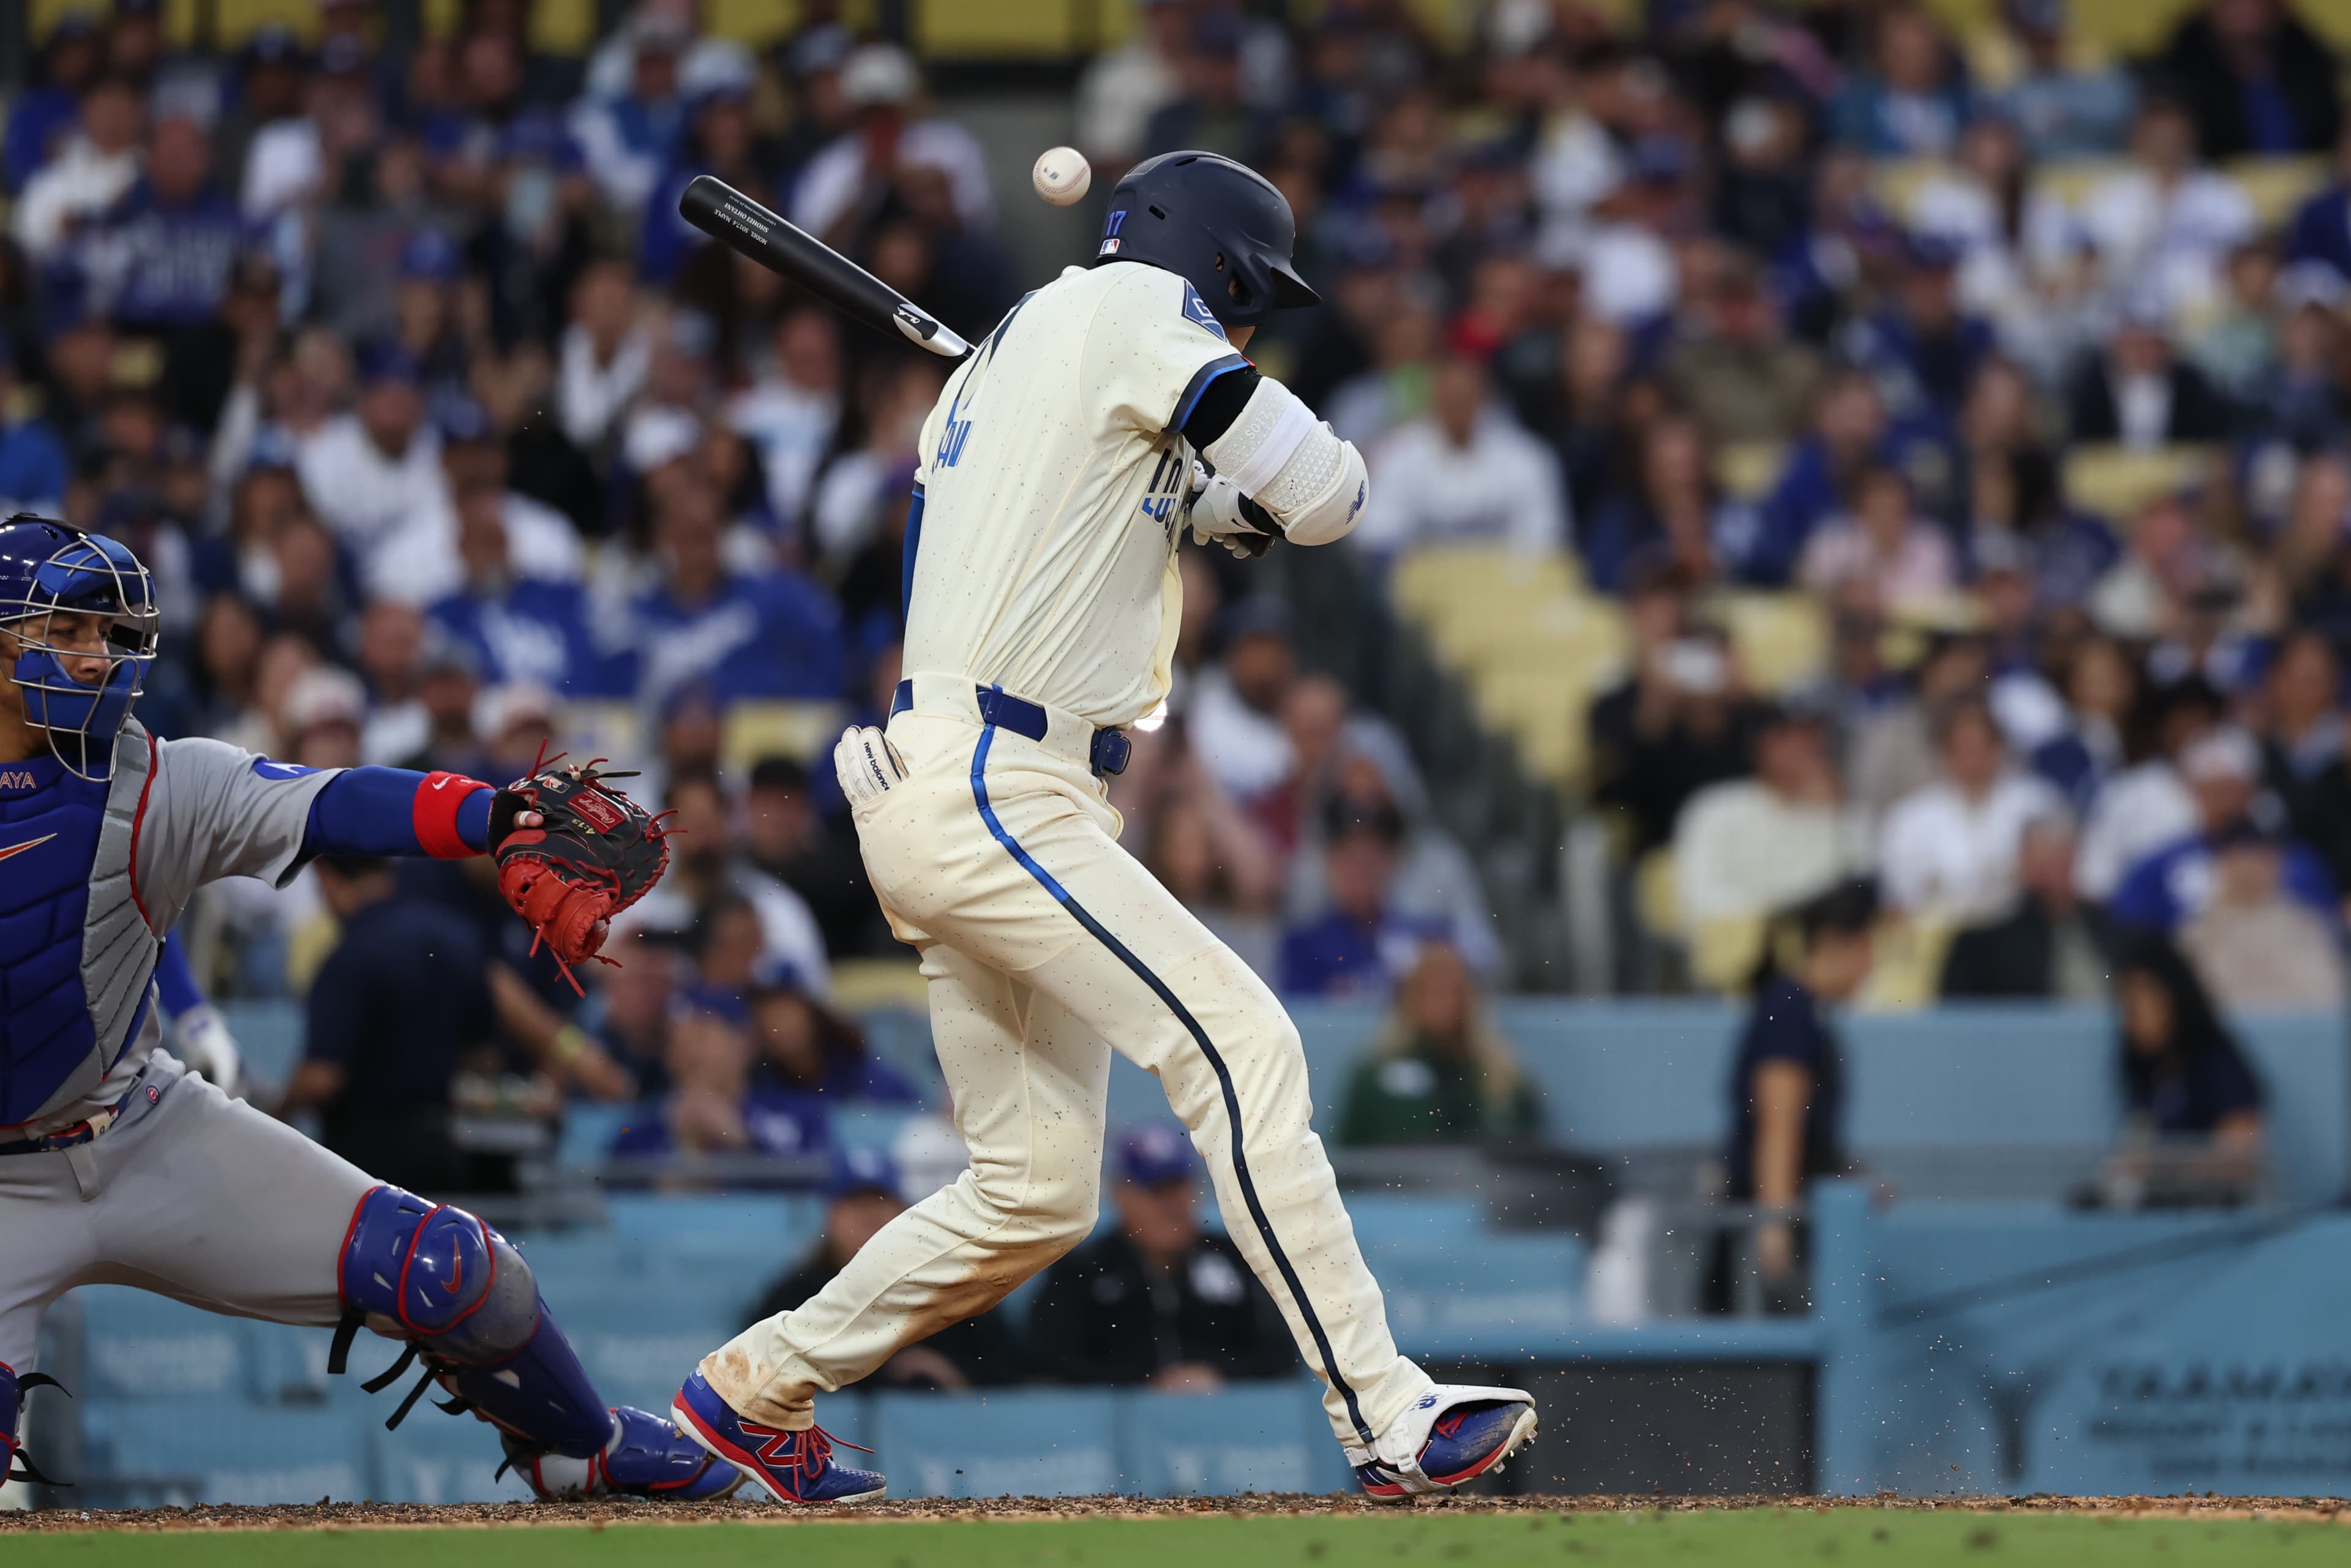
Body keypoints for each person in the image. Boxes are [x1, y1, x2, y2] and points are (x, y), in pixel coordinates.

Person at [678, 152, 1536, 1507]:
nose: (1251, 326)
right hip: (997, 783)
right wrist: (1252, 493)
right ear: (1225, 267)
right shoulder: (1140, 310)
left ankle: (745, 1391)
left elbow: (1154, 514)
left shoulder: (1007, 366)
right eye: (1252, 301)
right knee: (1242, 1043)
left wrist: (1212, 505)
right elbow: (1328, 495)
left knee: (1031, 1190)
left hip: (966, 783)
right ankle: (1384, 1405)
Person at [0, 516, 733, 1501]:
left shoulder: (155, 777)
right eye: (66, 631)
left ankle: (580, 1450)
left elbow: (333, 801)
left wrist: (496, 815)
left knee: (459, 1274)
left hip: (139, 1127)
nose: (98, 659)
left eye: (109, 633)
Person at [1026, 1125, 1295, 1390]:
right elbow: (1049, 1363)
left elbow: (1284, 1354)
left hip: (1230, 1426)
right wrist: (1144, 1386)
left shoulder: (1239, 1259)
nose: (1171, 1205)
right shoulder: (1082, 1270)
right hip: (1109, 1429)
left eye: (1177, 1188)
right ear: (1121, 1195)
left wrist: (1218, 1375)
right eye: (1155, 1191)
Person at [748, 1148, 1022, 1391]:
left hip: (954, 1439)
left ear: (905, 1213)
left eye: (881, 1202)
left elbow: (1011, 1376)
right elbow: (760, 1375)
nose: (870, 1216)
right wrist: (882, 1375)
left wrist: (953, 1376)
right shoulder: (799, 1295)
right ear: (831, 1216)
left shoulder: (951, 1286)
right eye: (856, 1204)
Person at [1721, 881, 1877, 1308]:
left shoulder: (1802, 1013)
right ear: (1830, 942)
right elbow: (1779, 1122)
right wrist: (1775, 1230)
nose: (1872, 965)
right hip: (1769, 1237)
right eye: (1866, 947)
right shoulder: (1789, 1011)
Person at [2106, 934, 2267, 1203]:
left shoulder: (2220, 1064)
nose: (2133, 1014)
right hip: (2148, 1212)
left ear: (2174, 995)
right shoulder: (2143, 1069)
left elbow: (2241, 1161)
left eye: (2144, 997)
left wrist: (2161, 1170)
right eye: (2126, 1002)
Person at [1335, 942, 1541, 1147]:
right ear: (1408, 999)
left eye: (1452, 990)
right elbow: (1350, 1155)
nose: (1442, 1002)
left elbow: (1527, 1155)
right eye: (1429, 990)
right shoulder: (1374, 1078)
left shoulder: (1505, 1082)